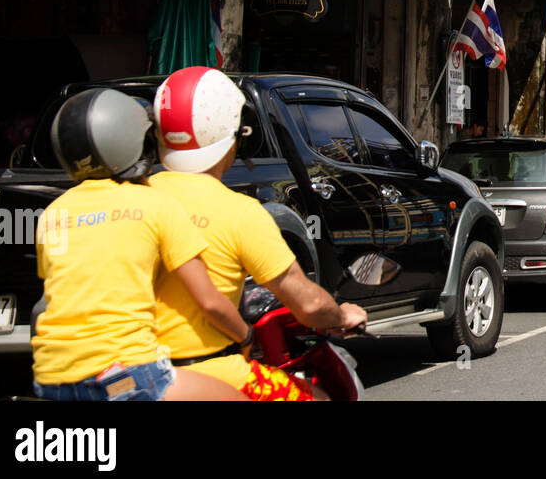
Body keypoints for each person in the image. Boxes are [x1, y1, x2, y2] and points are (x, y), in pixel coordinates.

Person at [148, 67, 367, 401]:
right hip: (208, 371)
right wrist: (341, 315)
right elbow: (307, 304)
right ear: (236, 134)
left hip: (128, 374)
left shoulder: (132, 197)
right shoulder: (241, 213)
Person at [32, 88, 248, 401]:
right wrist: (246, 335)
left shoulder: (52, 214)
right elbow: (210, 301)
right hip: (122, 376)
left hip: (52, 379)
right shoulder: (155, 204)